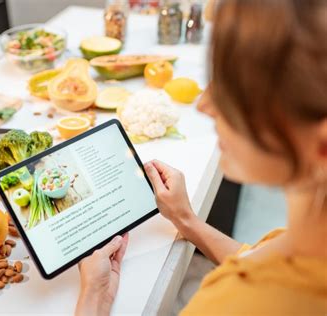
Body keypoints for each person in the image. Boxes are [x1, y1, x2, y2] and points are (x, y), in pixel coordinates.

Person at [75, 0, 327, 315]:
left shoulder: (232, 303)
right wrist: (186, 220)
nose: (203, 104)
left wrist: (92, 301)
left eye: (233, 90)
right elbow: (259, 258)